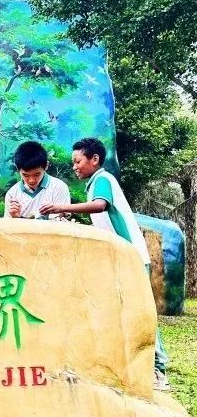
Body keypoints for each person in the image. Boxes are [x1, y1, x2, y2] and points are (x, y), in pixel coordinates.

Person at [39, 137, 170, 391]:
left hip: (131, 258)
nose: (74, 166)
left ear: (94, 159)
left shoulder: (103, 179)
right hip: (118, 260)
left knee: (141, 313)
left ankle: (158, 369)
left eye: (77, 161)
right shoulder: (94, 184)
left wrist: (62, 207)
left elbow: (100, 206)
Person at [4, 141, 71, 219]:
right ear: (17, 169)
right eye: (26, 175)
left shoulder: (59, 187)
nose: (31, 180)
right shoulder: (12, 194)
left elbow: (60, 222)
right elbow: (8, 223)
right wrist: (15, 218)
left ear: (46, 166)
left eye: (37, 174)